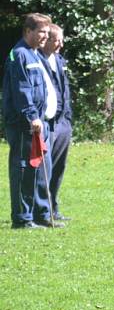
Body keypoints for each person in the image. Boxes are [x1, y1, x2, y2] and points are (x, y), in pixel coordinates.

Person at [2, 13, 63, 228]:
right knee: (24, 169)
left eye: (48, 32)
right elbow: (22, 90)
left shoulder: (35, 54)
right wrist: (32, 116)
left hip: (42, 123)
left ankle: (41, 214)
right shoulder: (19, 55)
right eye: (41, 32)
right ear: (28, 31)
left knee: (40, 170)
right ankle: (22, 218)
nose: (46, 36)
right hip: (25, 124)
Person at [40, 24, 72, 220]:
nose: (60, 44)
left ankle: (54, 207)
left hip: (63, 122)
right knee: (46, 168)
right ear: (46, 40)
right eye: (56, 40)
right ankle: (42, 210)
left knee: (59, 167)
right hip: (48, 123)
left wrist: (67, 119)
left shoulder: (60, 60)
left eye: (61, 39)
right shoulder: (38, 60)